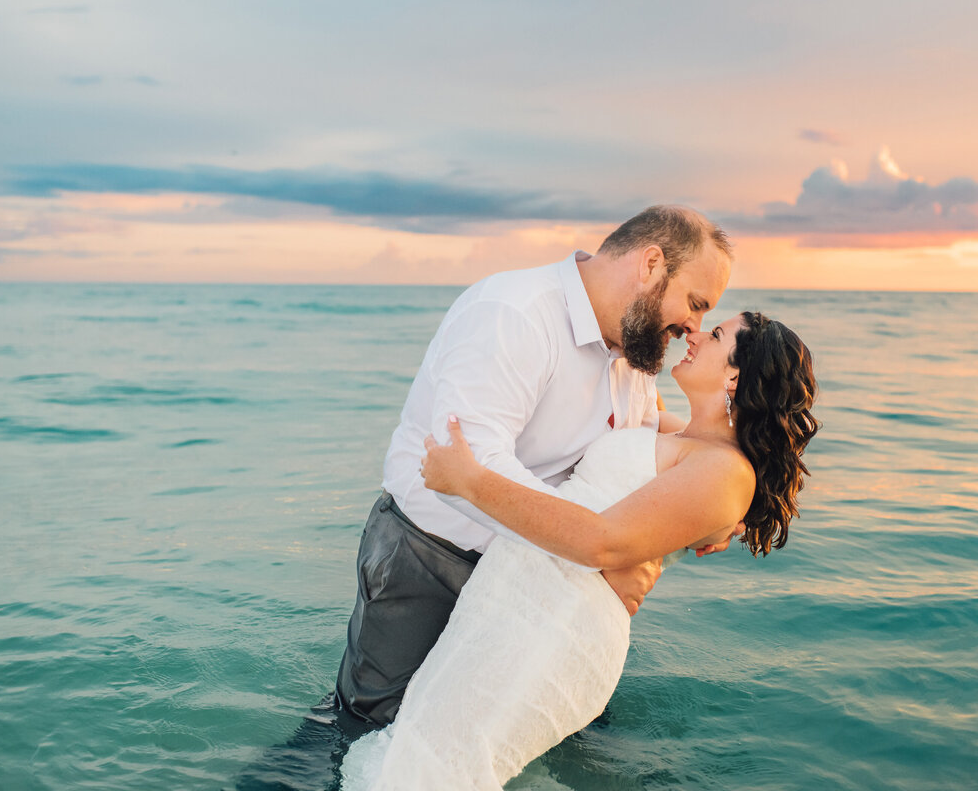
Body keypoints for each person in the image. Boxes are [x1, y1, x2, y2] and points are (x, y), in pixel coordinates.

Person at [338, 311, 819, 789]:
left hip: (559, 628)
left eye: (715, 335)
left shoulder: (725, 470)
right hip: (512, 603)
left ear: (735, 375)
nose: (694, 333)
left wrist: (471, 481)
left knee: (444, 767)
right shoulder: (681, 434)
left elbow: (601, 541)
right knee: (420, 750)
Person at [334, 204, 736, 730]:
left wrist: (722, 497)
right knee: (369, 729)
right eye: (695, 302)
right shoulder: (514, 312)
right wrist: (597, 552)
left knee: (519, 731)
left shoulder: (634, 348)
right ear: (652, 263)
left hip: (532, 574)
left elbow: (640, 439)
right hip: (432, 559)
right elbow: (466, 472)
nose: (693, 327)